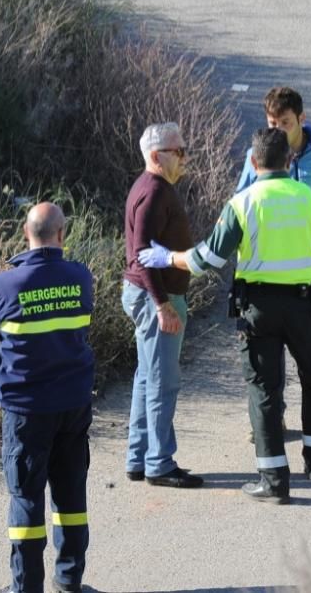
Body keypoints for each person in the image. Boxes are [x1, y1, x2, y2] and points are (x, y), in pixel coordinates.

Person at [140, 128, 311, 504]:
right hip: (308, 305)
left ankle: (273, 480)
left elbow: (207, 260)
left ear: (254, 163)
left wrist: (167, 258)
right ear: (290, 161)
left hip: (259, 309)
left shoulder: (243, 203)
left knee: (265, 390)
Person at [0, 202, 94, 593]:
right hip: (74, 404)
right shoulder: (80, 277)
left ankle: (26, 588)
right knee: (70, 493)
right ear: (62, 235)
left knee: (26, 496)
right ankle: (70, 580)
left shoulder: (3, 286)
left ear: (26, 233)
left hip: (27, 410)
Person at [122, 122, 203, 488]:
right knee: (161, 382)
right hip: (157, 298)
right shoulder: (154, 192)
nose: (184, 157)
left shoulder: (154, 187)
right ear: (156, 156)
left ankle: (139, 458)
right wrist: (162, 305)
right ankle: (159, 463)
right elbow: (143, 255)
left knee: (147, 377)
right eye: (179, 151)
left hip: (150, 295)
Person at [236, 87, 311, 282]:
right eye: (272, 123)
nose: (278, 130)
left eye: (286, 123)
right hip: (270, 254)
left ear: (302, 119)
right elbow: (240, 200)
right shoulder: (255, 155)